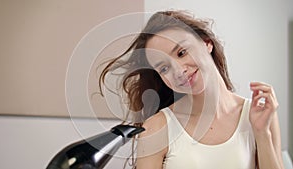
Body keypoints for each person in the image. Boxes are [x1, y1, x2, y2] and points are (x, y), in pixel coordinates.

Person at [99, 10, 284, 169]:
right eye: (164, 68)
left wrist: (262, 133)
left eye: (181, 52)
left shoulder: (259, 115)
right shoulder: (158, 127)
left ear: (206, 43)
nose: (179, 71)